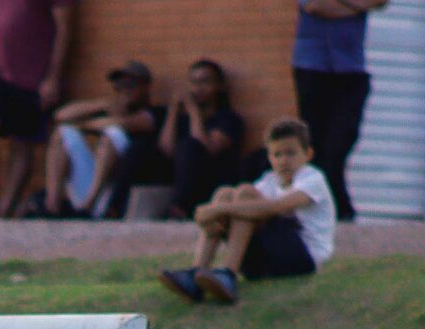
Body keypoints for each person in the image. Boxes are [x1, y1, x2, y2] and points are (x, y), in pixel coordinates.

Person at [158, 116, 333, 306]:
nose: (283, 161)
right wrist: (212, 217)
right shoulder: (269, 180)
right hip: (265, 262)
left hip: (301, 259)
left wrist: (217, 210)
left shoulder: (313, 178)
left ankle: (228, 273)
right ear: (269, 157)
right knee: (225, 193)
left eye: (290, 153)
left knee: (244, 196)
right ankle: (196, 274)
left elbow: (277, 207)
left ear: (308, 154)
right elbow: (239, 209)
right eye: (277, 154)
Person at [0, 0, 76, 218]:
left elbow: (64, 29)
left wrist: (53, 77)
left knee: (22, 143)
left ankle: (5, 209)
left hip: (34, 78)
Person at [292, 0, 389, 223]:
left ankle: (330, 206)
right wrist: (358, 6)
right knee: (316, 141)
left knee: (342, 138)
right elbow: (316, 6)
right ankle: (336, 210)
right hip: (313, 66)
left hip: (351, 66)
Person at [35, 58, 165, 217]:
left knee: (112, 133)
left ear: (145, 87)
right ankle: (51, 207)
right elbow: (60, 116)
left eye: (130, 85)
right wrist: (102, 104)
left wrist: (87, 125)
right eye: (119, 85)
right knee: (63, 132)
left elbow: (124, 123)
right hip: (93, 184)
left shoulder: (152, 114)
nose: (125, 90)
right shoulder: (106, 110)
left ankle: (88, 207)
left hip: (119, 191)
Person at [160, 58, 247, 219]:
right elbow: (166, 150)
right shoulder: (183, 120)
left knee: (189, 147)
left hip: (214, 182)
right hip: (182, 180)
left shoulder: (229, 119)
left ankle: (179, 207)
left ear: (219, 86)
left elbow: (205, 147)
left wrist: (193, 110)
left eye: (205, 82)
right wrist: (173, 110)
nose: (198, 88)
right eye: (194, 82)